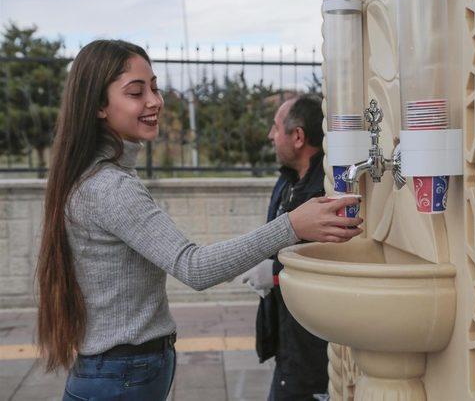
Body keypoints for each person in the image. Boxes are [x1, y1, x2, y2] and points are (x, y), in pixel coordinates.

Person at [35, 39, 362, 401]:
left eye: (155, 88)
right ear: (98, 105)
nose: (155, 101)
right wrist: (291, 226)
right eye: (135, 92)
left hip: (119, 373)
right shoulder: (111, 186)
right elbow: (194, 267)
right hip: (121, 377)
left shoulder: (99, 176)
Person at [241, 94, 332, 400]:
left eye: (276, 127)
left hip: (312, 347)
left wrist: (276, 274)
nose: (270, 135)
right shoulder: (288, 181)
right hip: (287, 338)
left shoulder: (325, 190)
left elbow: (328, 265)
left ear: (297, 137)